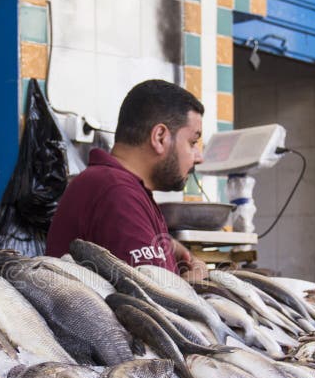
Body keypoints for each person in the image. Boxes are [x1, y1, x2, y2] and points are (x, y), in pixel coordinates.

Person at [46, 79, 209, 280]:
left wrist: (169, 246)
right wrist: (196, 281)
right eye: (193, 142)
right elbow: (157, 303)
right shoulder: (116, 192)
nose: (199, 157)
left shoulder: (119, 186)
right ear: (160, 137)